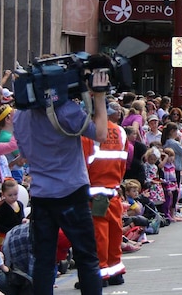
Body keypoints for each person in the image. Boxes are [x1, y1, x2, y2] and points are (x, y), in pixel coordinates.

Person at [12, 64, 111, 295]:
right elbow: (101, 134)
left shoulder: (19, 116)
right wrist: (99, 96)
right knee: (86, 255)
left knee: (44, 259)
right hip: (71, 191)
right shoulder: (66, 110)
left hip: (40, 194)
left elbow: (25, 154)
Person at [80, 102, 128, 287]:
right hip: (113, 190)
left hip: (94, 192)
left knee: (99, 234)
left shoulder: (89, 135)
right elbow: (123, 163)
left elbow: (83, 165)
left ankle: (100, 274)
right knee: (115, 231)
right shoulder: (121, 132)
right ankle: (116, 271)